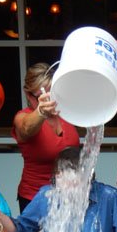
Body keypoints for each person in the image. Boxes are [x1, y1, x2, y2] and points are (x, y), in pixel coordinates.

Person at [12, 63, 80, 212]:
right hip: (35, 198)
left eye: (53, 94)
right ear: (28, 95)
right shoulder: (22, 117)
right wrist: (40, 112)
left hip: (69, 196)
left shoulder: (65, 113)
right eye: (42, 97)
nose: (49, 101)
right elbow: (26, 128)